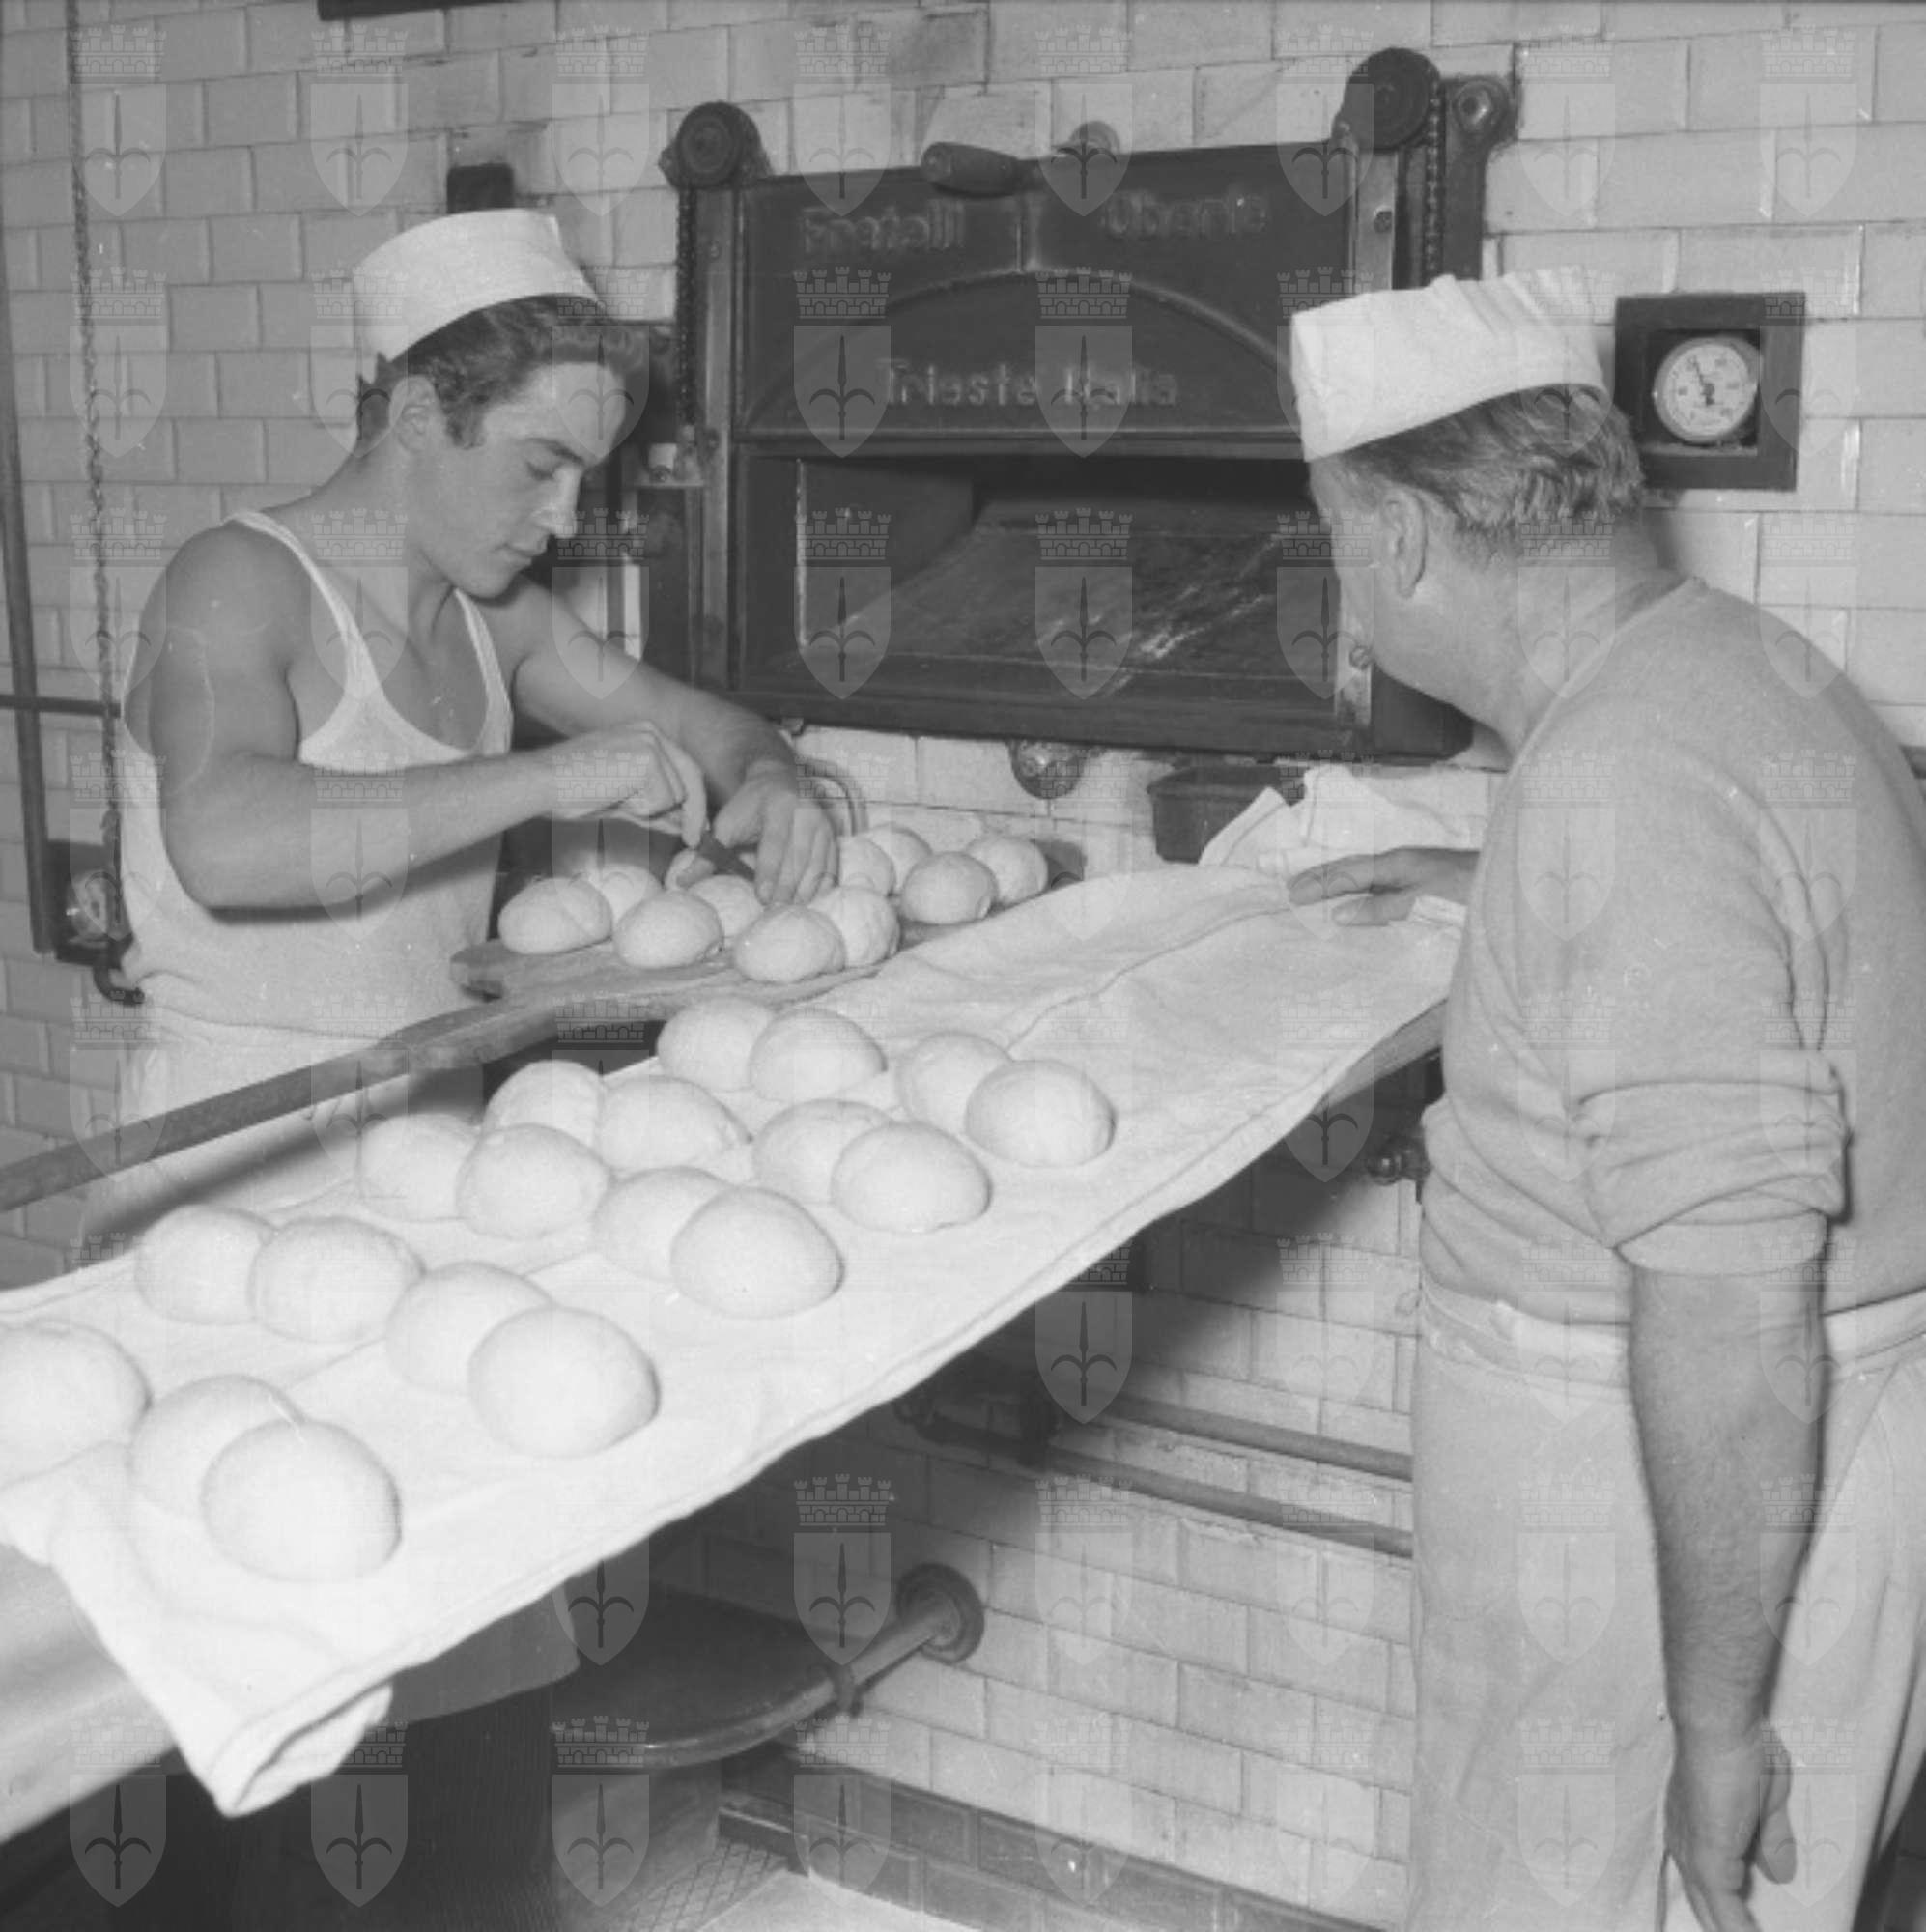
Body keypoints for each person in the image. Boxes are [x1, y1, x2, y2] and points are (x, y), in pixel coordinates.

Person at [91, 209, 836, 1931]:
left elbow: (706, 725)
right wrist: (544, 780)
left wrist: (773, 776)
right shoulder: (236, 581)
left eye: (587, 477)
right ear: (420, 408)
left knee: (465, 1661)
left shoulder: (498, 618)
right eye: (541, 466)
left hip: (428, 1170)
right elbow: (229, 839)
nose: (562, 516)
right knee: (256, 1679)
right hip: (231, 1178)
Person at [1287, 269, 1926, 1932]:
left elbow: (1727, 1311)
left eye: (1333, 541)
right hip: (1803, 1455)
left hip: (1655, 1500)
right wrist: (1503, 888)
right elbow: (1745, 917)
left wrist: (1715, 1726)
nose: (1341, 585)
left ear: (1399, 540)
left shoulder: (1619, 782)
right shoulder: (1730, 671)